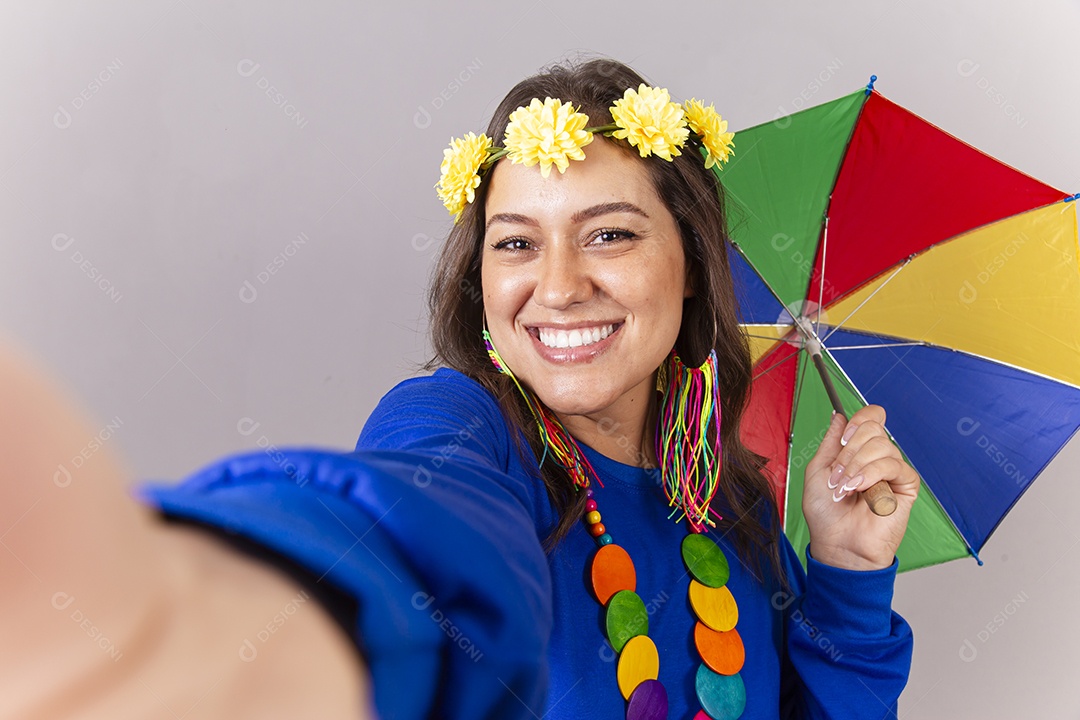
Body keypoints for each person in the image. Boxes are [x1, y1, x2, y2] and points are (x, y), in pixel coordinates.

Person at [6, 57, 918, 719]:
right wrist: (229, 608)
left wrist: (847, 573)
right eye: (516, 241)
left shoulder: (727, 505)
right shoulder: (459, 426)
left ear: (689, 269)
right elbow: (411, 521)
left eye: (609, 235)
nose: (557, 285)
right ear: (479, 277)